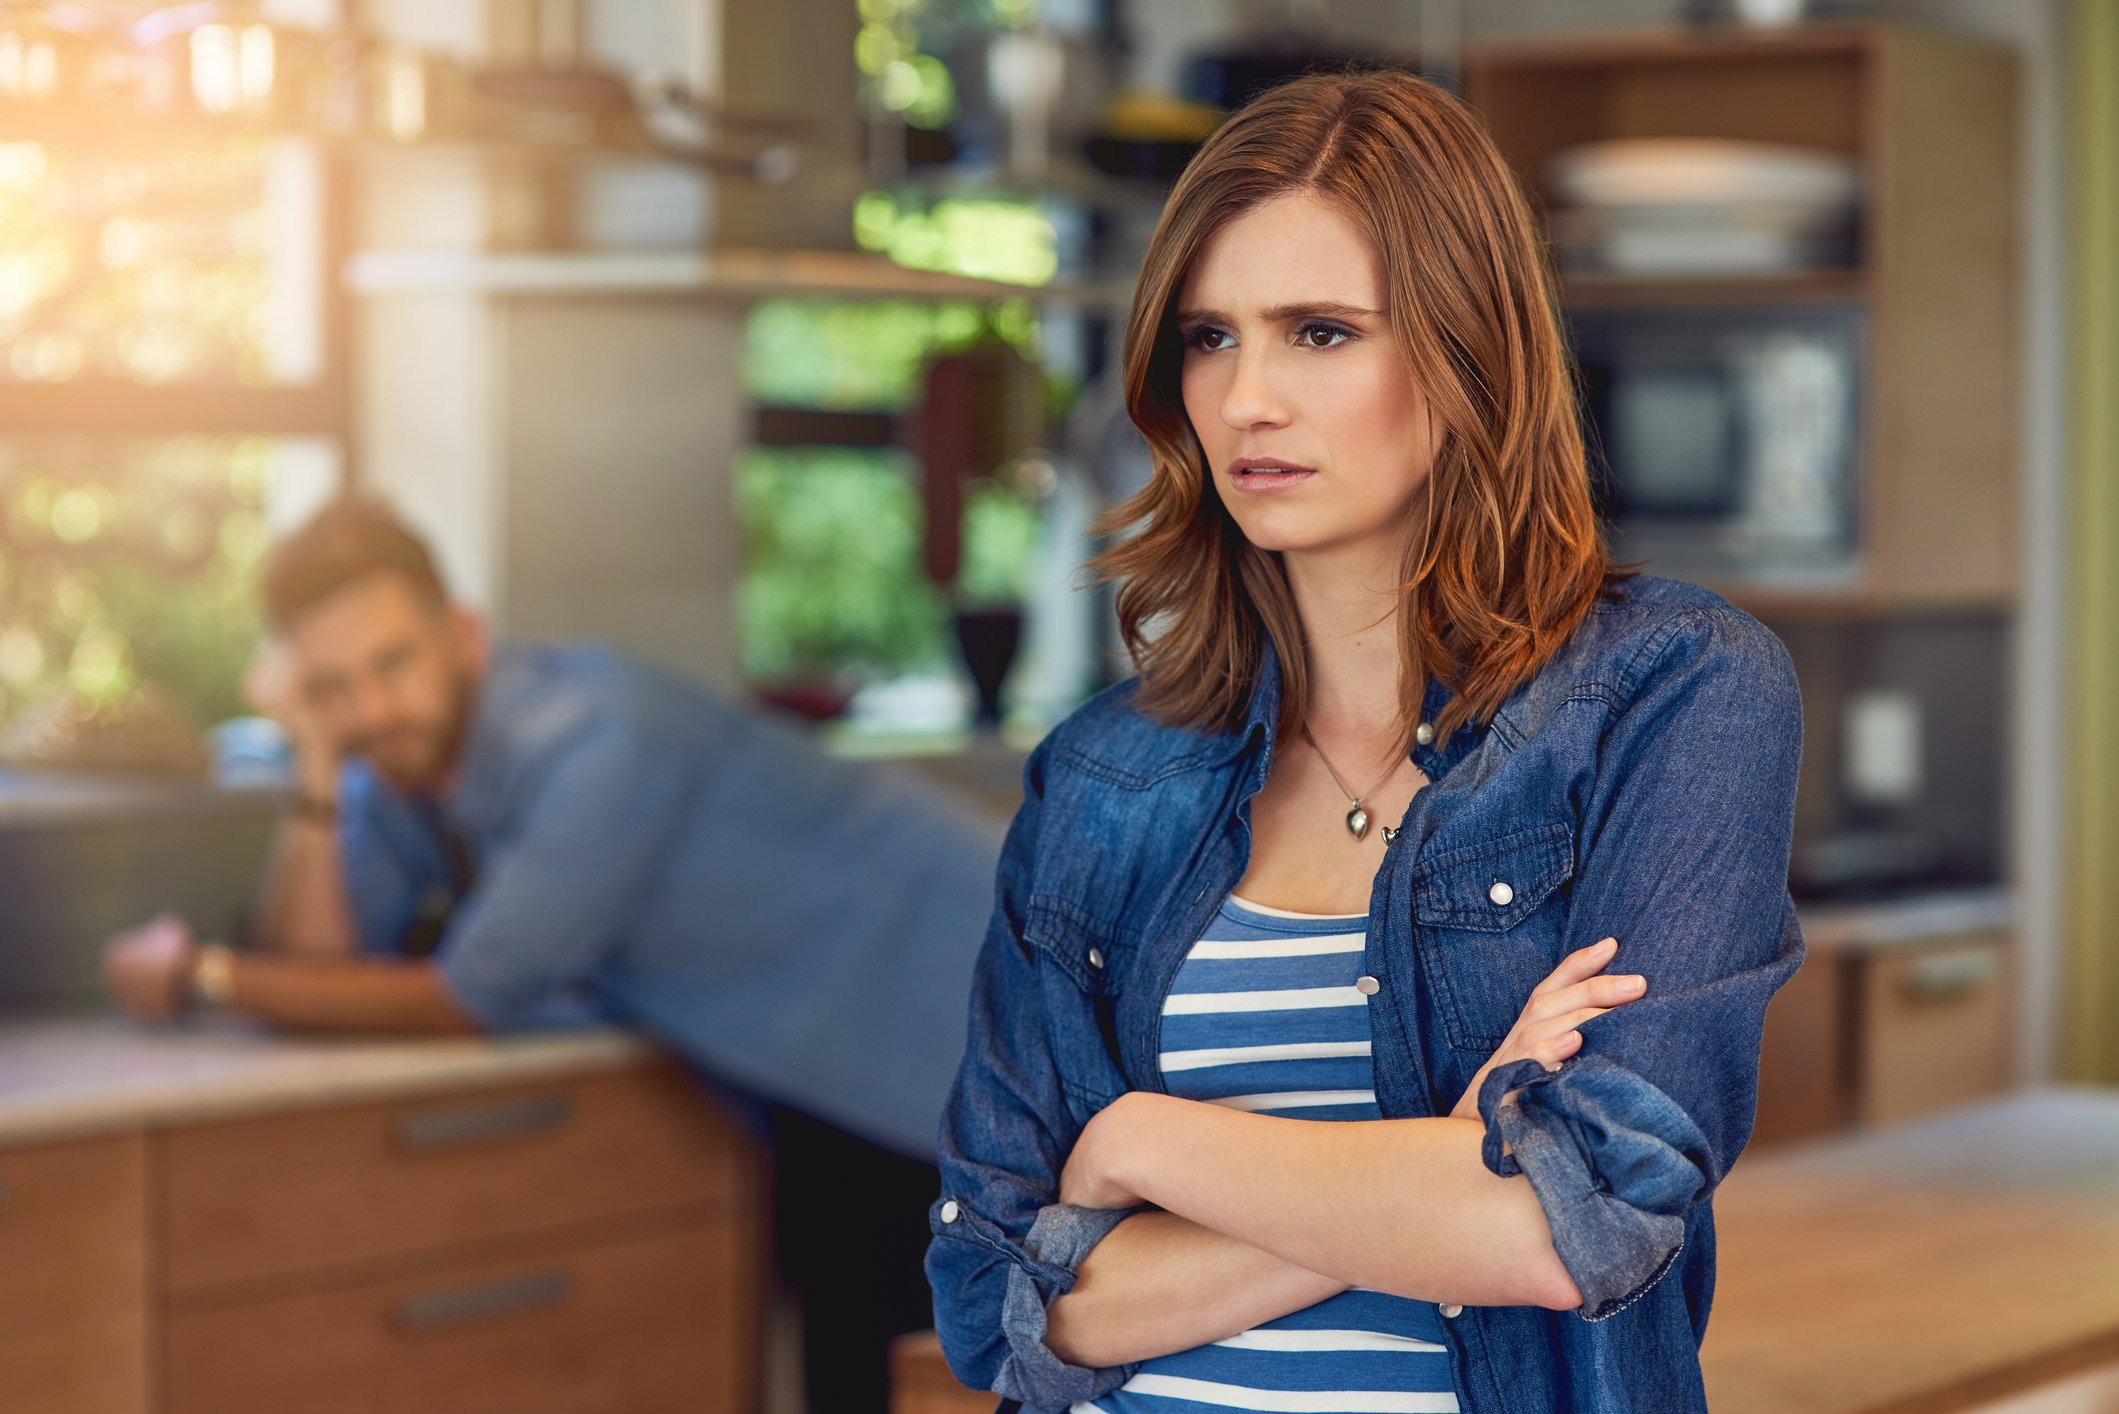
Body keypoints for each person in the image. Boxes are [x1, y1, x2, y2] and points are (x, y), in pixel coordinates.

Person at [923, 69, 1804, 1414]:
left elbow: (1573, 1232)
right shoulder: (1106, 776)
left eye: (1318, 332)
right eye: (1209, 337)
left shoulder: (1671, 695)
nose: (1245, 399)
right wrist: (1442, 1158)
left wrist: (1144, 1144)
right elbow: (996, 1309)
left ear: (1463, 356)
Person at [102, 495, 1001, 1414]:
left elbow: (463, 999)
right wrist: (316, 762)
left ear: (462, 636)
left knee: (936, 1379)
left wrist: (200, 975)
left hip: (960, 1017)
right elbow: (322, 960)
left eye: (392, 663)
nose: (371, 708)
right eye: (332, 689)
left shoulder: (595, 736)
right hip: (814, 1068)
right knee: (859, 1372)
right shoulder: (399, 773)